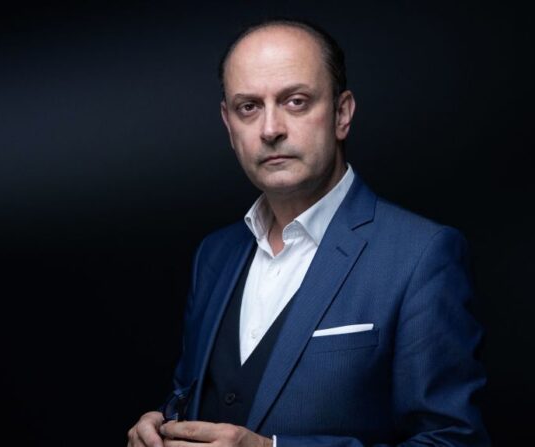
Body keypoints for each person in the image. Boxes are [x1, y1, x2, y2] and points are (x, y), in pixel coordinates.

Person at [127, 18, 488, 447]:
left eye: (295, 101)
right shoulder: (215, 254)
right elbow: (196, 395)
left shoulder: (421, 255)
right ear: (228, 125)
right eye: (249, 107)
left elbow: (453, 441)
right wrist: (164, 425)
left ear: (341, 113)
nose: (270, 129)